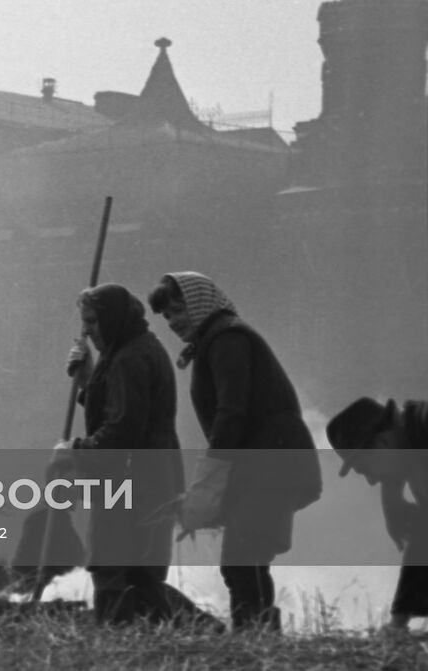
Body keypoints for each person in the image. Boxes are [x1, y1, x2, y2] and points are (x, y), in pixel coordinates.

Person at [148, 271, 321, 632]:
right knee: (247, 559)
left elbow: (232, 412)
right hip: (265, 464)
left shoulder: (227, 338)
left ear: (198, 304)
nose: (173, 323)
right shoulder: (217, 339)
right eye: (166, 317)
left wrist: (210, 481)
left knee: (245, 559)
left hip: (270, 464)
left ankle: (255, 639)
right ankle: (255, 637)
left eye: (177, 311)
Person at [52, 283, 183, 624]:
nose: (88, 331)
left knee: (112, 570)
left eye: (93, 322)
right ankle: (157, 648)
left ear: (112, 319)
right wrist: (88, 380)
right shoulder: (140, 348)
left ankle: (117, 647)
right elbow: (124, 409)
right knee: (142, 577)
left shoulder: (129, 358)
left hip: (130, 484)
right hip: (154, 478)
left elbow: (121, 433)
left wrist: (74, 451)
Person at [328, 396, 428, 635]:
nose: (372, 480)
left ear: (382, 442)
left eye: (365, 469)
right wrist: (398, 624)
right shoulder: (411, 444)